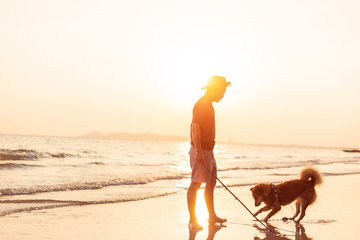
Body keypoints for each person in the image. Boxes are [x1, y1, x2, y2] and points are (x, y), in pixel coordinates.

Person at [187, 76, 231, 230]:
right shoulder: (203, 105)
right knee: (196, 184)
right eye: (222, 91)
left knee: (211, 183)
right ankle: (192, 220)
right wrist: (198, 151)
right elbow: (195, 127)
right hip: (201, 150)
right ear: (215, 89)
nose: (223, 95)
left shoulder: (209, 105)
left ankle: (211, 216)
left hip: (209, 151)